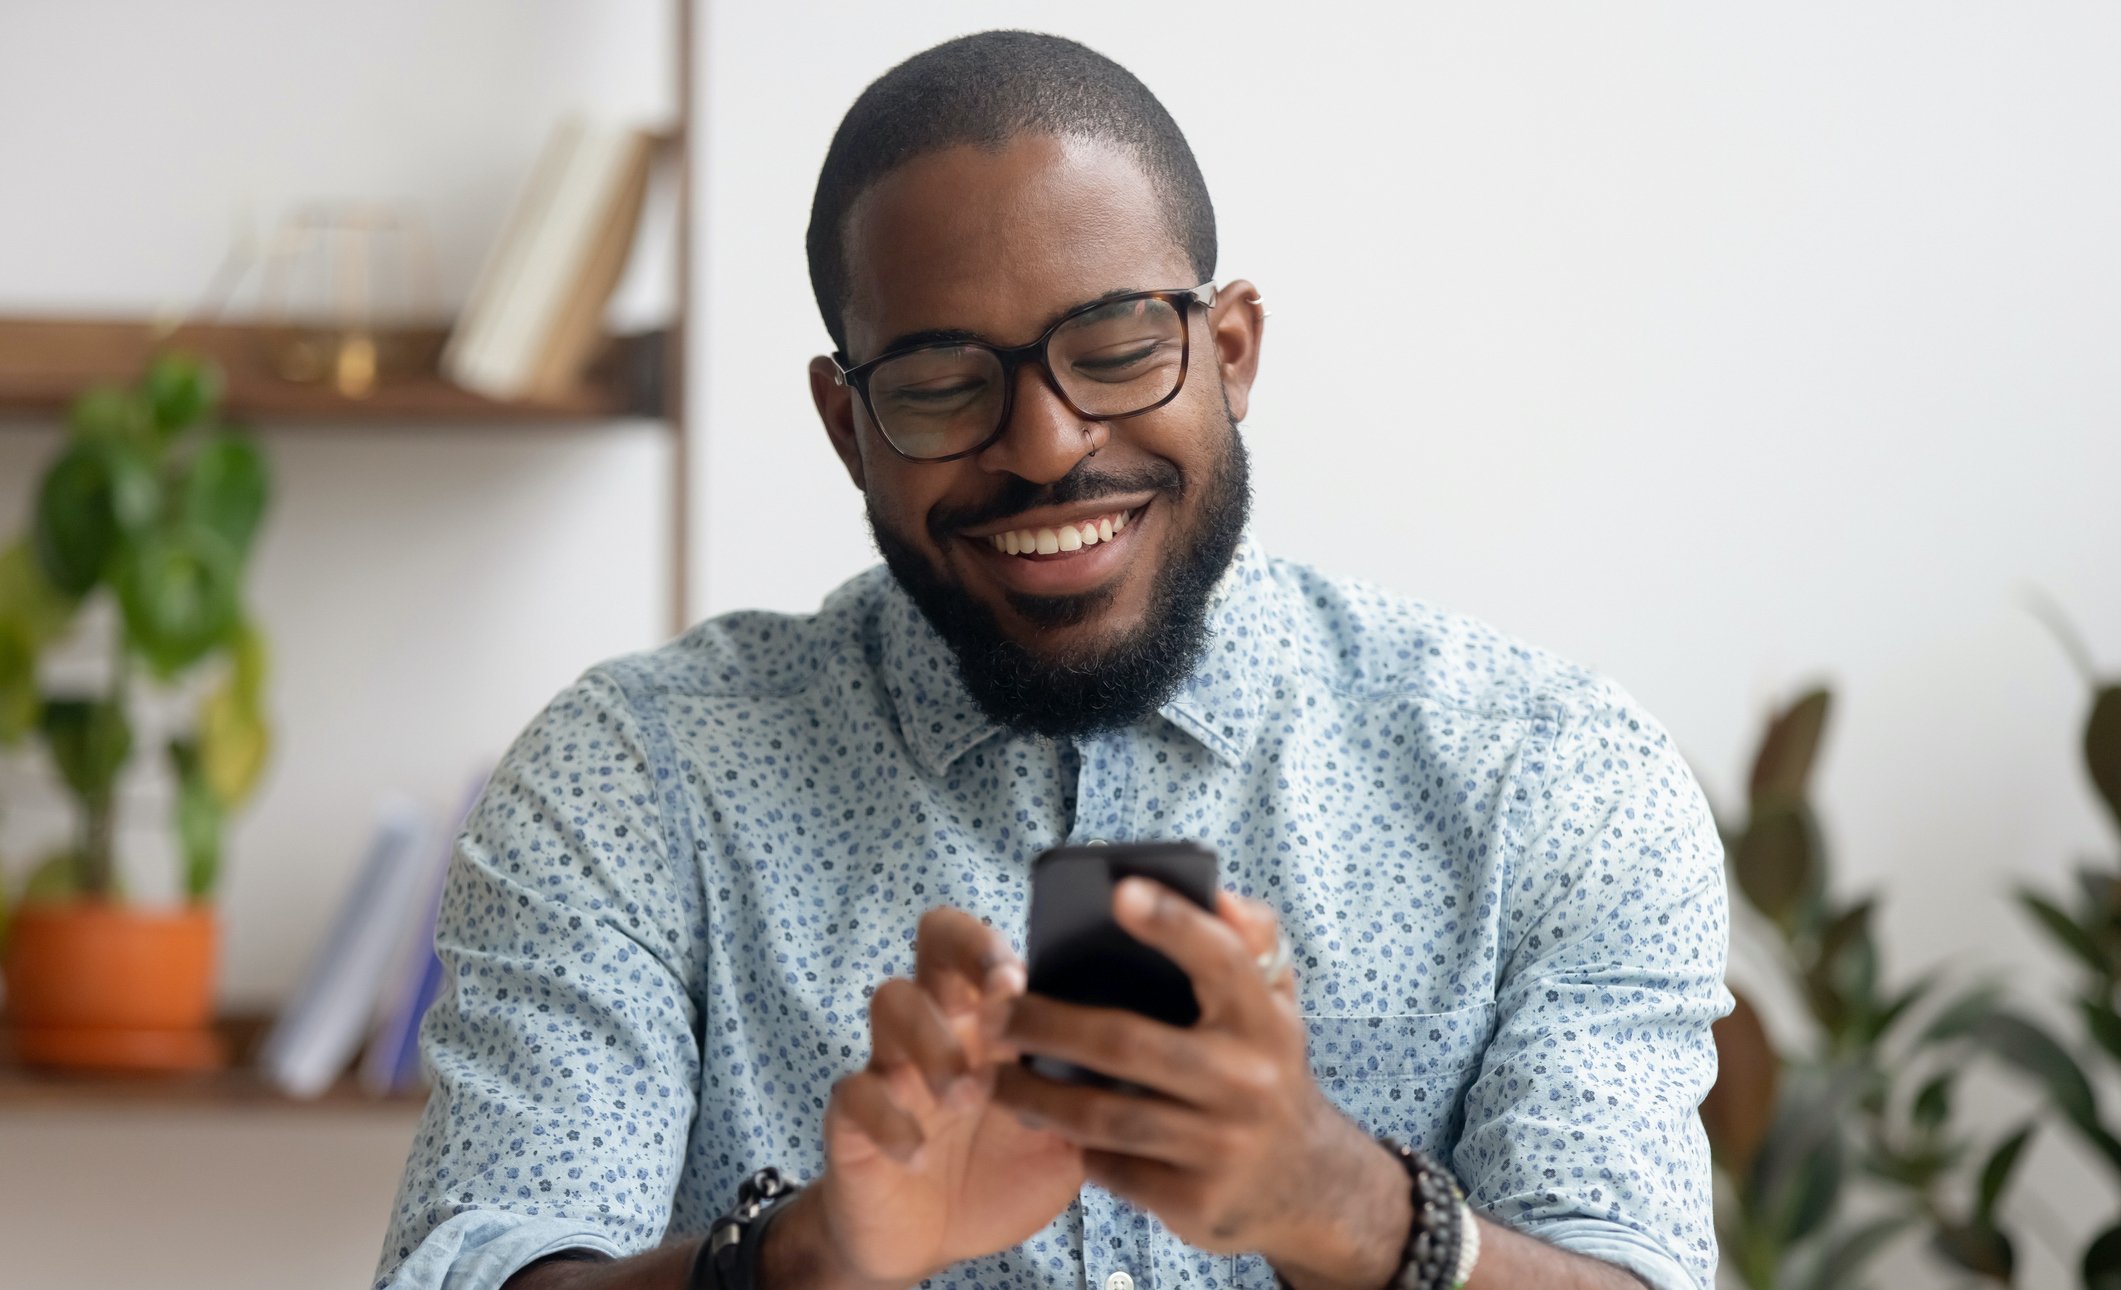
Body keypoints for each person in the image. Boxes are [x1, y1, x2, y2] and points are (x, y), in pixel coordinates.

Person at [375, 29, 1730, 1290]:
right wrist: (799, 1258)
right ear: (847, 426)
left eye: (1118, 347)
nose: (1042, 443)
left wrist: (1347, 1202)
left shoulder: (1552, 779)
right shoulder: (635, 780)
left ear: (1232, 350)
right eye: (940, 383)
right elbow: (477, 1260)